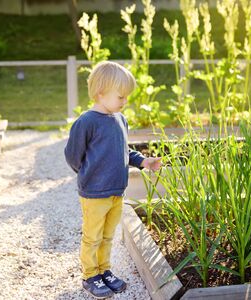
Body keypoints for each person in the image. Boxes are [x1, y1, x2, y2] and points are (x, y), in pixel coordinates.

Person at [64, 61, 161, 299]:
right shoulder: (87, 122)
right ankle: (90, 275)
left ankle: (104, 270)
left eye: (126, 97)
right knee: (93, 236)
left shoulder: (120, 119)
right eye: (121, 96)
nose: (125, 101)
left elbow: (124, 151)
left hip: (117, 191)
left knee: (108, 236)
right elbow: (73, 155)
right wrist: (88, 174)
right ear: (100, 93)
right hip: (95, 193)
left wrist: (144, 162)